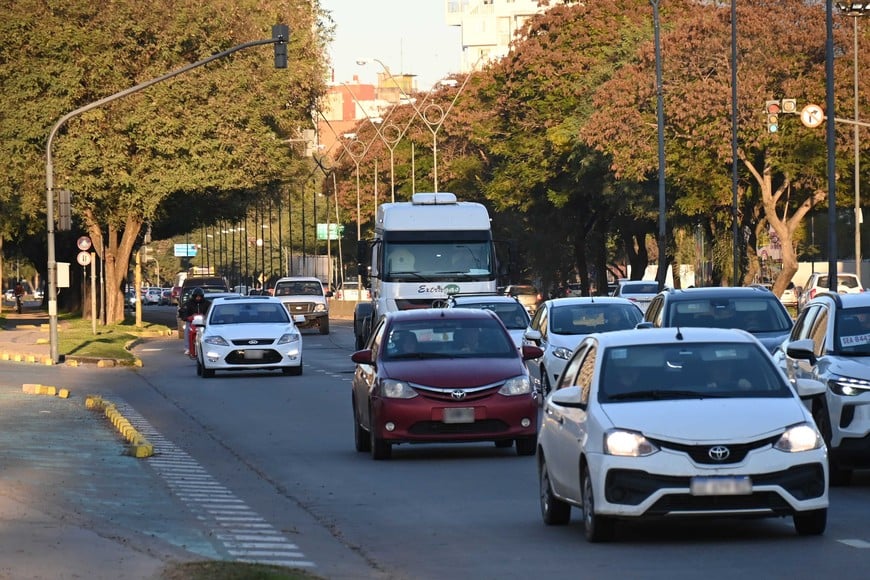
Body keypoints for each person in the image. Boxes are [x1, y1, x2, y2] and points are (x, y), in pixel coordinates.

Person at [178, 288, 211, 357]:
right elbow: (182, 311)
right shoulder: (188, 303)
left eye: (199, 296)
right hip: (191, 322)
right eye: (196, 296)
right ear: (193, 296)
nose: (198, 298)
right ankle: (187, 347)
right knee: (187, 329)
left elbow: (210, 311)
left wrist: (205, 316)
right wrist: (187, 317)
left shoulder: (207, 303)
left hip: (203, 322)